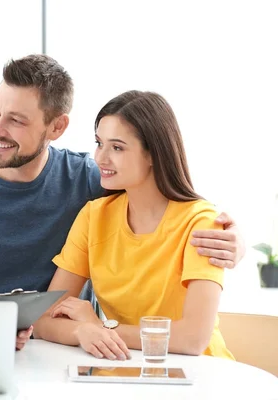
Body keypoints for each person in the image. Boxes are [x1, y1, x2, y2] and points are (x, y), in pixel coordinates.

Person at [0, 54, 244, 351]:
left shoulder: (91, 180)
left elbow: (171, 200)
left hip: (76, 354)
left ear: (57, 127)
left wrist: (234, 240)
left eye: (17, 120)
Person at [33, 90, 234, 360]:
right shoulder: (94, 217)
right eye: (99, 143)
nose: (100, 158)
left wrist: (98, 326)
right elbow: (45, 320)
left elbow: (193, 339)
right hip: (128, 367)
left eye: (117, 147)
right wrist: (81, 332)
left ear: (154, 154)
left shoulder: (201, 223)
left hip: (202, 373)